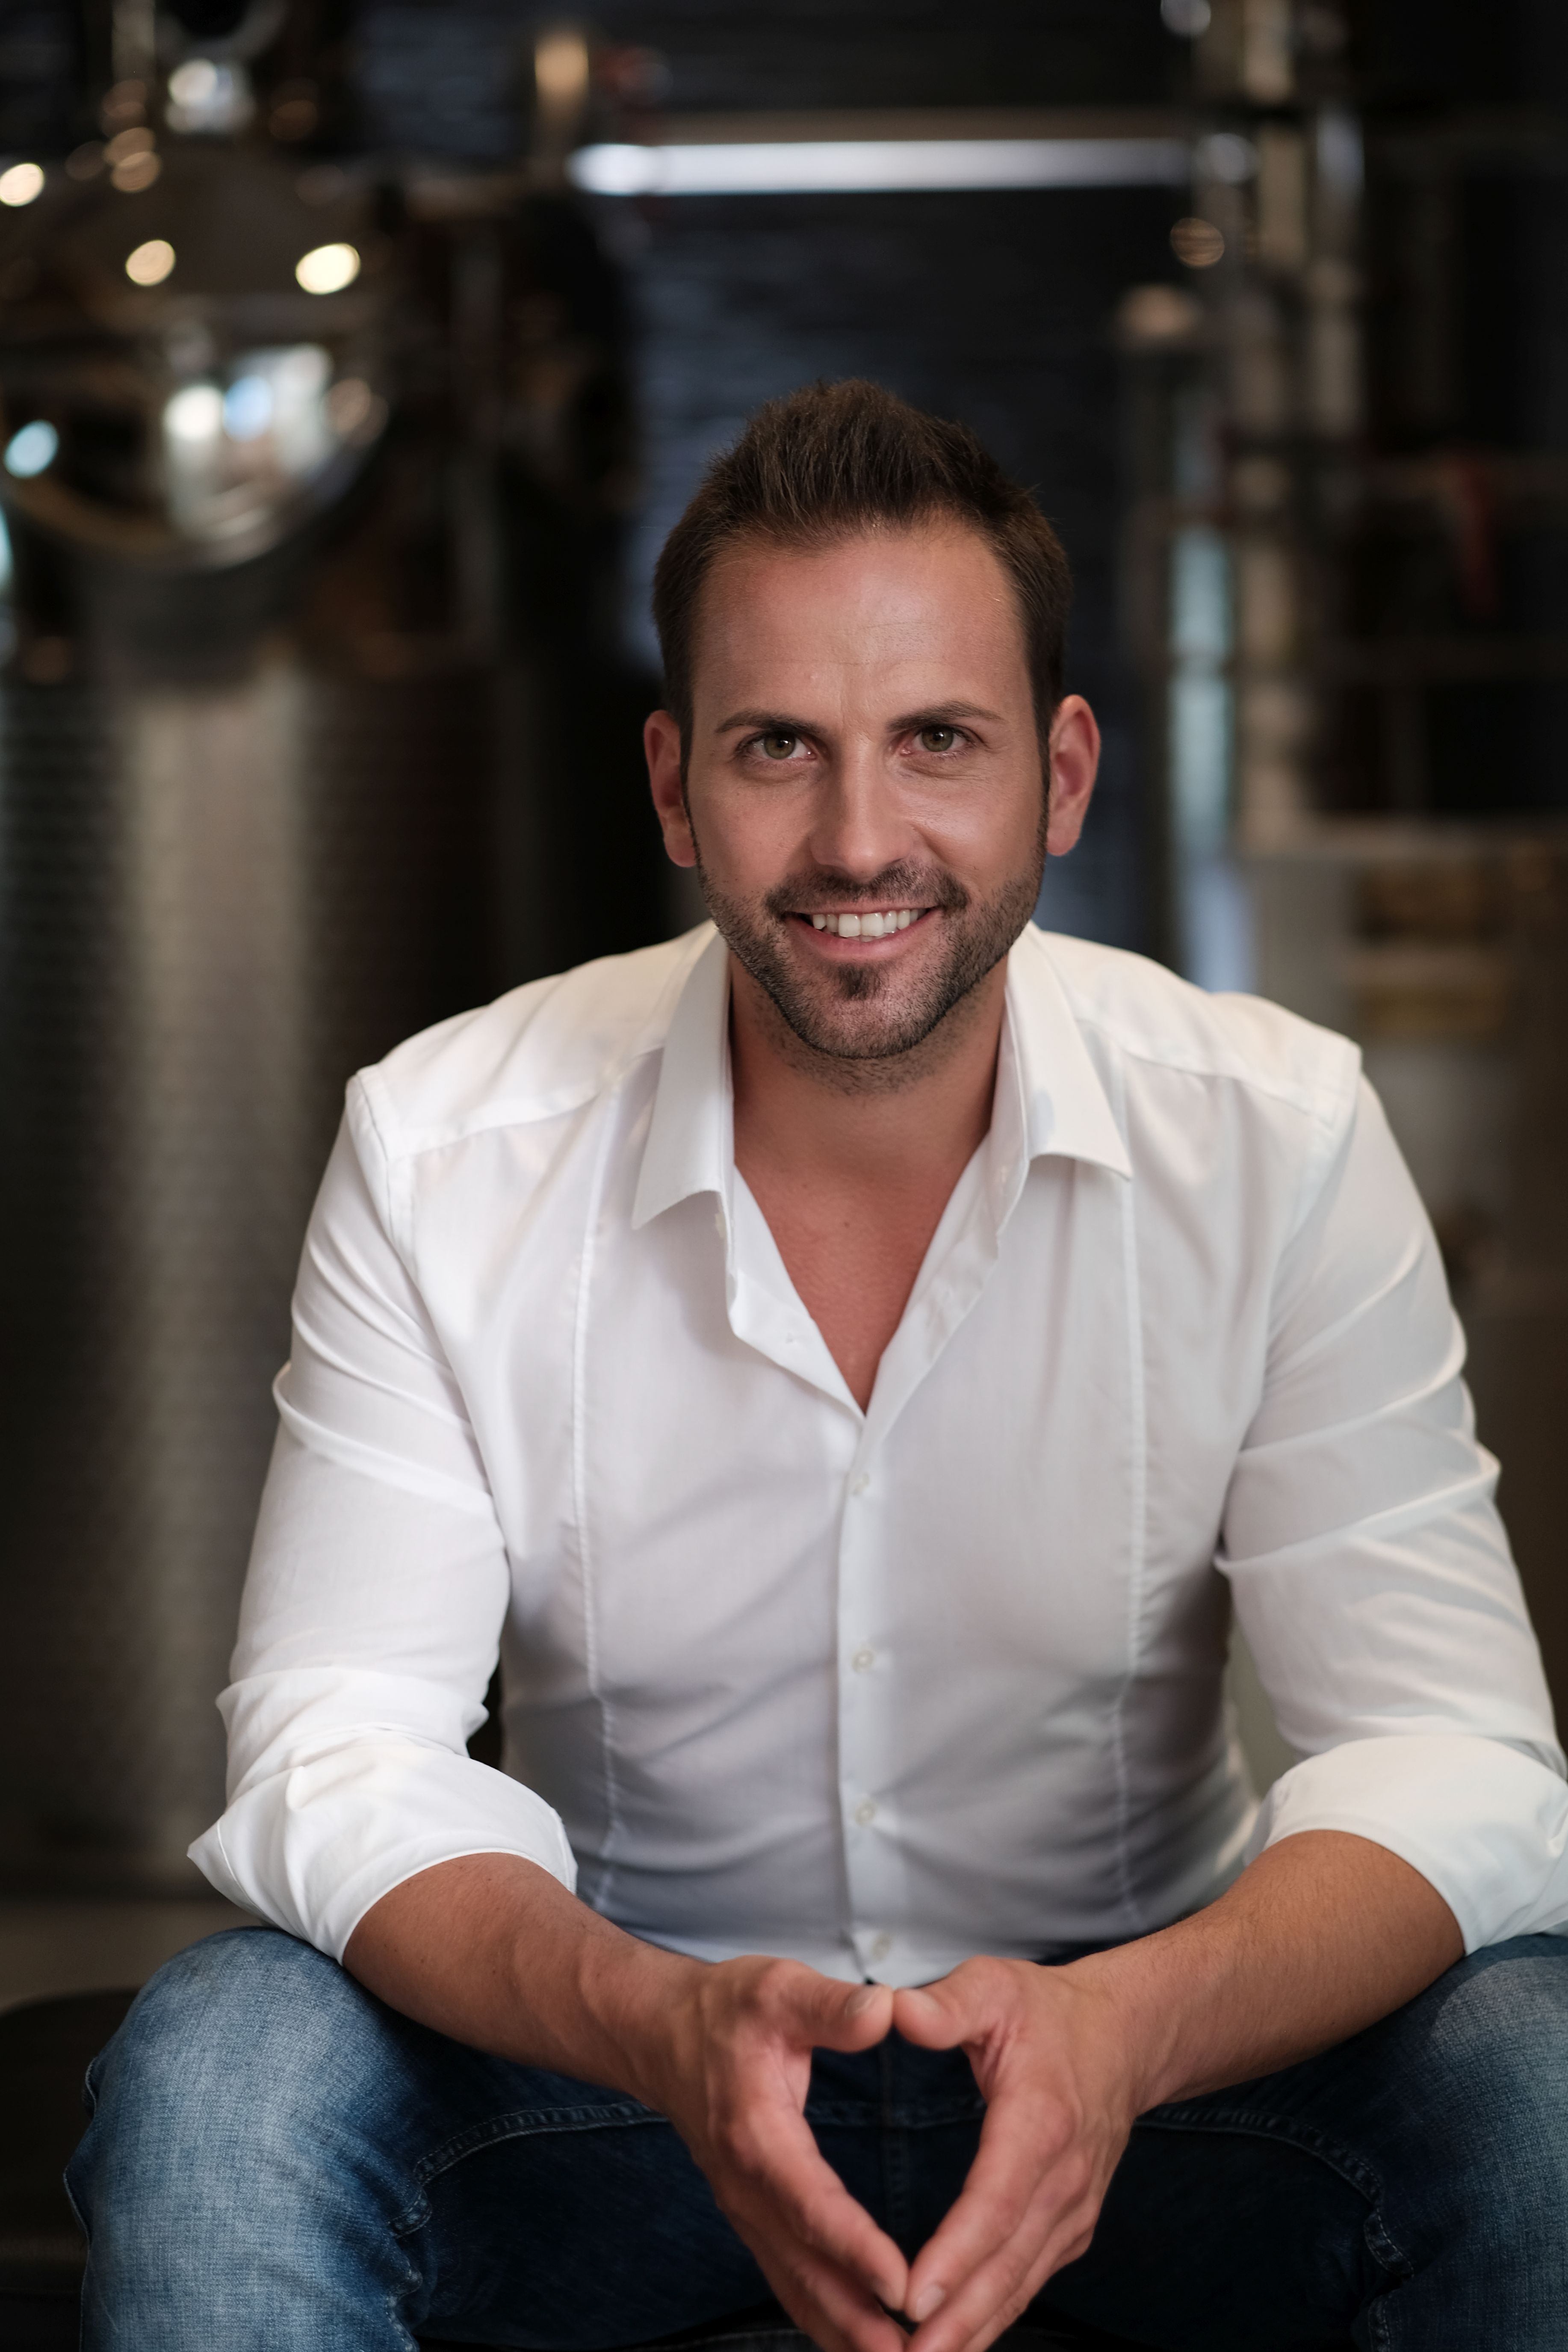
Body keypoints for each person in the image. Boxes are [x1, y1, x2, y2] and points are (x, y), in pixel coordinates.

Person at [71, 381, 1568, 2352]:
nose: (860, 839)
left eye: (935, 740)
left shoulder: (1272, 1137)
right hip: (618, 2085)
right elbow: (335, 1747)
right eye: (778, 745)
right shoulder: (445, 1144)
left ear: (1060, 775)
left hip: (1153, 2084)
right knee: (219, 2063)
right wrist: (656, 2021)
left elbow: (1456, 1755)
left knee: (1532, 2069)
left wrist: (1126, 2027)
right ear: (674, 787)